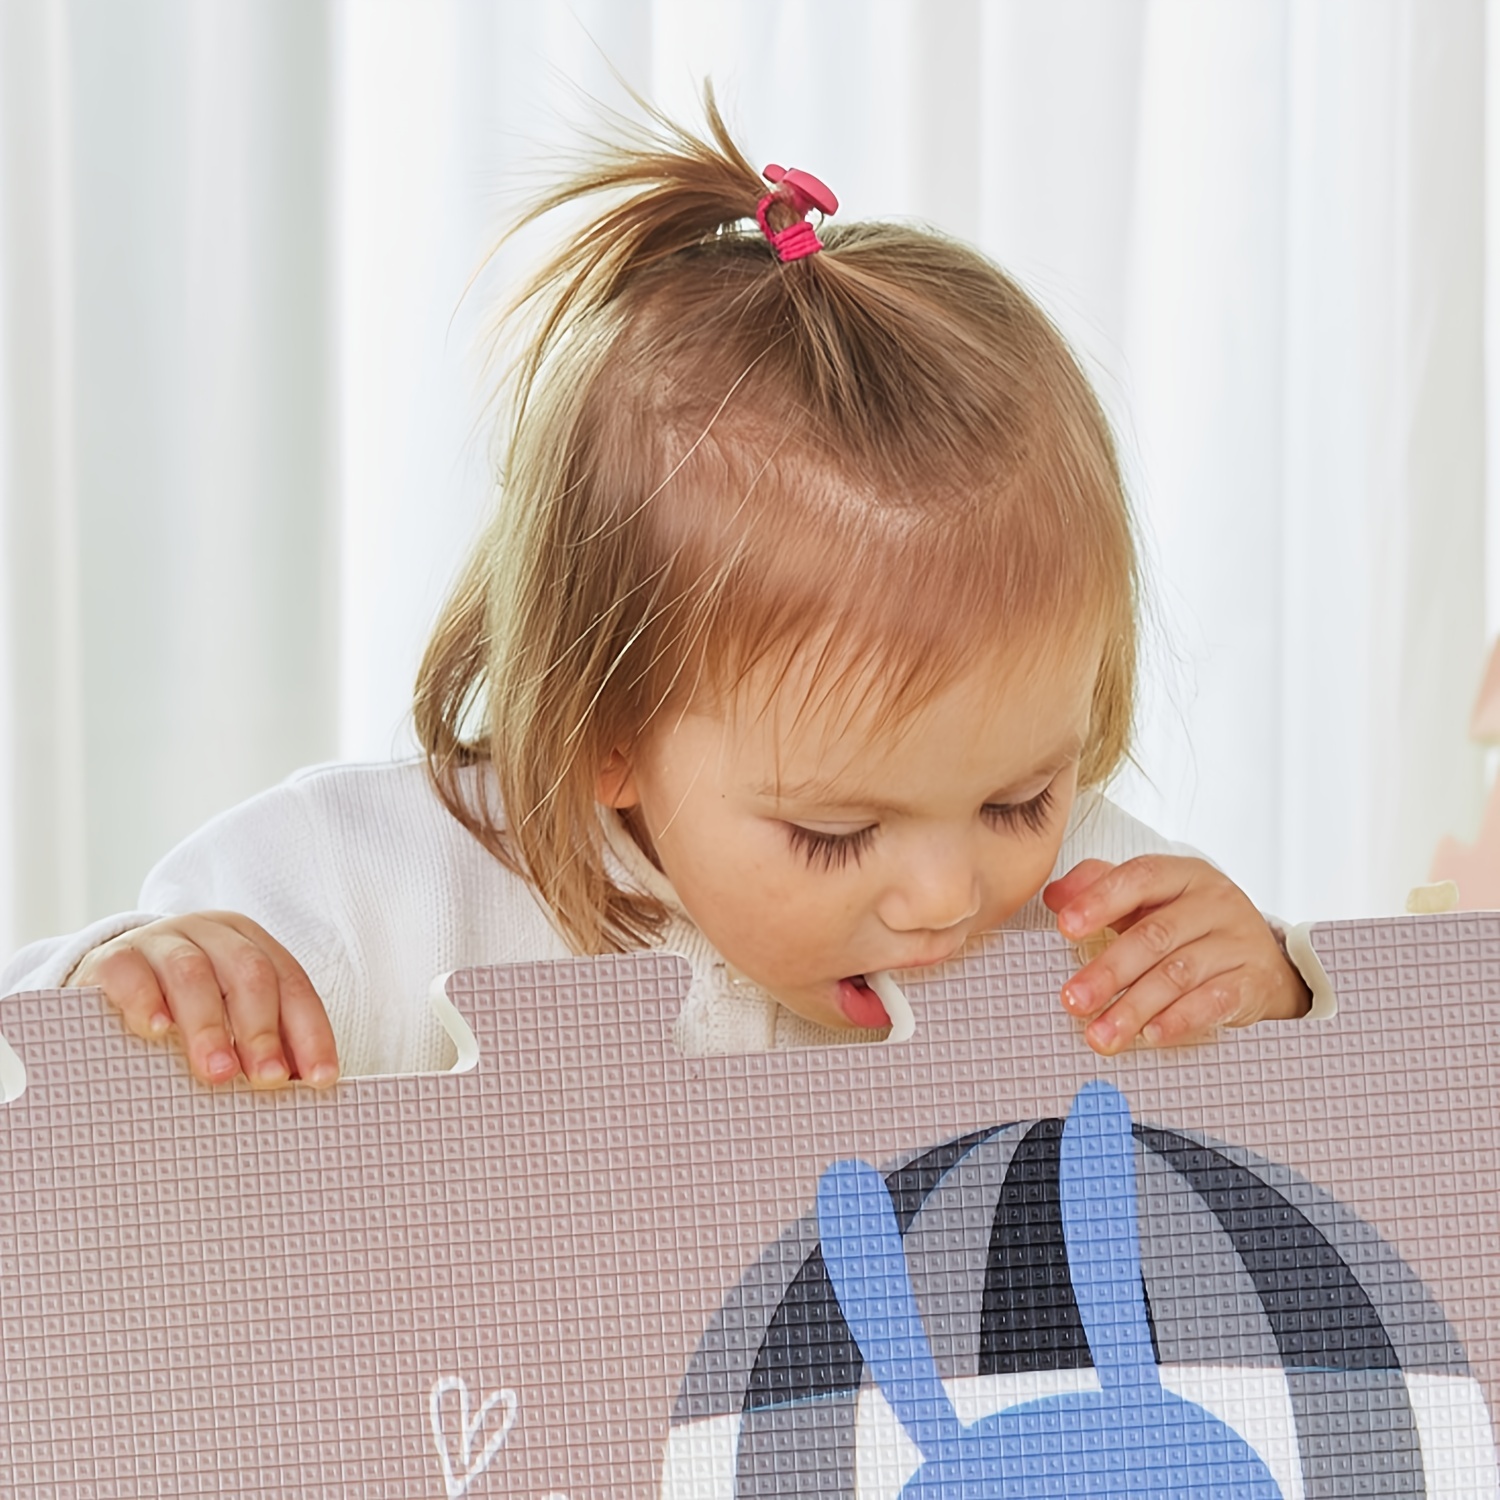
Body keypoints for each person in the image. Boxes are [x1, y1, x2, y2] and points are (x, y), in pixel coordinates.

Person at [0, 97, 1314, 1087]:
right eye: (836, 835)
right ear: (609, 737)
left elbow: (1295, 1164)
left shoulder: (1088, 898)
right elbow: (46, 1070)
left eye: (1019, 797)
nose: (948, 898)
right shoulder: (381, 884)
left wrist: (1269, 996)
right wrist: (144, 981)